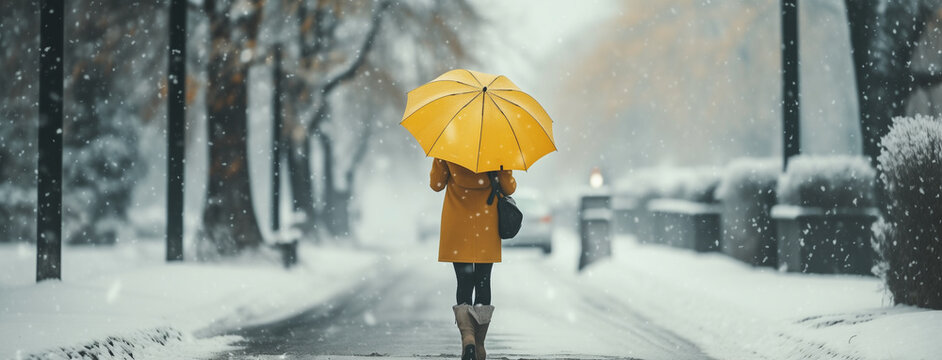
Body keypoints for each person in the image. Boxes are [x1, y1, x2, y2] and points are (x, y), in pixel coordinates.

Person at [430, 158, 516, 360]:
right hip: (486, 224)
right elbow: (509, 188)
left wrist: (440, 162)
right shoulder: (498, 150)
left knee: (464, 281)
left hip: (458, 224)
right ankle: (479, 344)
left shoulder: (449, 148)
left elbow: (436, 184)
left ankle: (467, 337)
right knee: (483, 281)